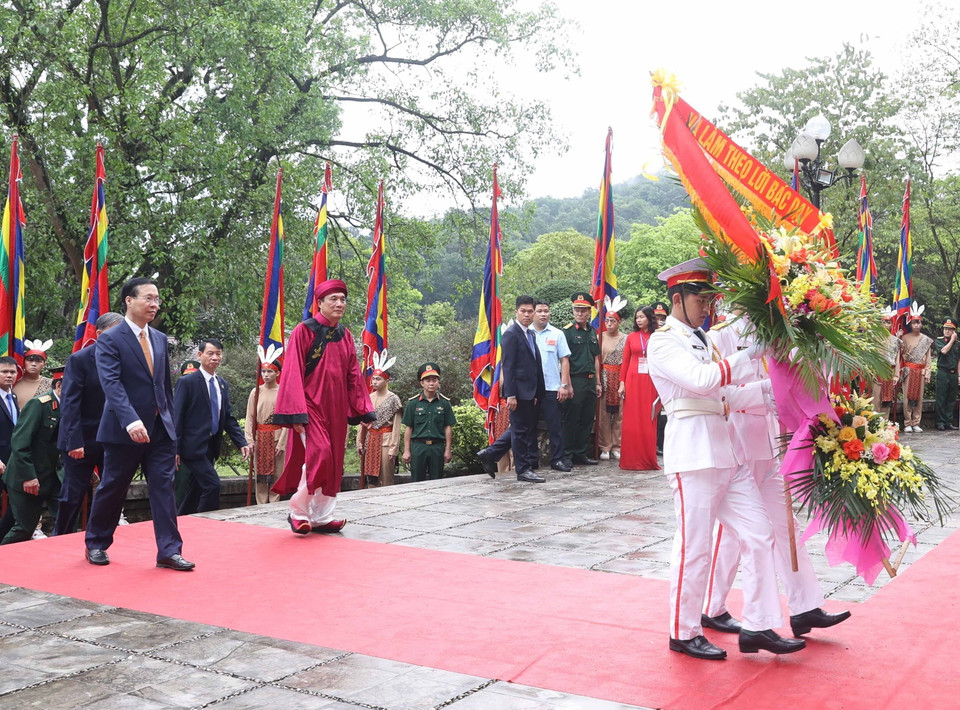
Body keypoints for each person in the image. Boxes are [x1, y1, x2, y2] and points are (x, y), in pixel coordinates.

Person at [648, 258, 803, 660]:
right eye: (700, 299)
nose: (707, 306)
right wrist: (751, 355)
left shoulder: (702, 341)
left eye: (710, 299)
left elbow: (725, 396)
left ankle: (759, 624)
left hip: (726, 452)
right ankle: (682, 631)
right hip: (694, 455)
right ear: (677, 299)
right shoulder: (663, 341)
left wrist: (774, 388)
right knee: (694, 546)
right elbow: (703, 381)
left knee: (759, 534)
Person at [703, 311, 851, 639]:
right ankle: (710, 606)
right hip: (737, 439)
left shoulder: (779, 332)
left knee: (786, 526)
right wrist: (771, 391)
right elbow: (720, 392)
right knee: (732, 530)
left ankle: (805, 606)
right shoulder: (723, 334)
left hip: (767, 440)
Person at [84, 277, 194, 571]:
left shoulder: (158, 338)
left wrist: (171, 426)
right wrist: (130, 419)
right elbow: (112, 384)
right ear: (129, 301)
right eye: (148, 298)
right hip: (124, 430)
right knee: (114, 487)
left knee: (164, 488)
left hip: (160, 430)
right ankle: (96, 542)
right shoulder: (111, 338)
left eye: (157, 299)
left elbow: (163, 387)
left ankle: (169, 551)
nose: (154, 304)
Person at [271, 279, 374, 534]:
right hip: (309, 406)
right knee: (320, 454)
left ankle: (322, 516)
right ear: (319, 303)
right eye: (333, 299)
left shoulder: (345, 335)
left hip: (336, 407)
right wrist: (295, 411)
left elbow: (353, 375)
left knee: (334, 460)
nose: (340, 304)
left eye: (343, 299)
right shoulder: (303, 331)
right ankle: (298, 510)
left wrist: (362, 409)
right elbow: (292, 371)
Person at [54, 312, 124, 536]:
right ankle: (61, 536)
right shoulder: (80, 359)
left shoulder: (126, 360)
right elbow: (70, 404)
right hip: (82, 438)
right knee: (72, 494)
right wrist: (74, 441)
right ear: (101, 334)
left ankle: (100, 535)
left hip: (113, 438)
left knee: (112, 491)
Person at [174, 338, 250, 515]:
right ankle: (208, 523)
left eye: (218, 354)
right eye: (210, 353)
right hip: (191, 447)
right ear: (200, 355)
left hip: (211, 446)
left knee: (197, 488)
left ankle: (183, 519)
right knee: (213, 484)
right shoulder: (187, 383)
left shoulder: (221, 384)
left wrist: (241, 443)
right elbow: (177, 417)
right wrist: (175, 448)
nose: (215, 357)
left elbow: (228, 418)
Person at [1, 368, 64, 544]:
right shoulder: (39, 404)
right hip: (27, 477)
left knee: (67, 522)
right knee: (24, 528)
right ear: (59, 385)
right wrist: (29, 477)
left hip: (54, 477)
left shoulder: (73, 405)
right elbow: (20, 444)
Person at [500, 296, 546, 482]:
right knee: (520, 432)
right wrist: (510, 394)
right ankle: (523, 470)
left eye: (530, 311)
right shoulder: (511, 334)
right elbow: (508, 366)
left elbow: (533, 364)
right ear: (516, 312)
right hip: (517, 392)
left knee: (525, 429)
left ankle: (490, 453)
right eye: (523, 311)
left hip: (530, 391)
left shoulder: (530, 333)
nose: (527, 314)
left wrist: (537, 391)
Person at [617, 305, 660, 471]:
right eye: (637, 317)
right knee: (632, 418)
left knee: (649, 417)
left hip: (651, 379)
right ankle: (630, 460)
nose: (639, 320)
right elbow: (625, 361)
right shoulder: (631, 337)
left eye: (642, 317)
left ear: (649, 318)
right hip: (633, 379)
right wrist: (622, 383)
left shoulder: (658, 337)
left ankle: (648, 459)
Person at [561, 292, 601, 466]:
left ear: (589, 312)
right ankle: (567, 454)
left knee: (587, 418)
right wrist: (567, 383)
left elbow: (596, 358)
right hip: (575, 379)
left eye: (583, 310)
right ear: (573, 311)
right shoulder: (567, 332)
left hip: (591, 380)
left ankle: (580, 453)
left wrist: (598, 382)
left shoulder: (592, 332)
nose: (580, 313)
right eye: (577, 310)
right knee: (572, 418)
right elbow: (565, 360)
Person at [244, 346, 287, 504]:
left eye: (270, 371)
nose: (266, 375)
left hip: (276, 437)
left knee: (277, 474)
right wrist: (249, 440)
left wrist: (282, 443)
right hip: (260, 438)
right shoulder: (256, 392)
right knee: (260, 475)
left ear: (277, 373)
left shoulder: (283, 392)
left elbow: (287, 421)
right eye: (264, 371)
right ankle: (261, 504)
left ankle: (274, 503)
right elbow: (249, 418)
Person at [402, 363, 456, 482]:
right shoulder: (413, 403)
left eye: (434, 380)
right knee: (417, 481)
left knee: (437, 481)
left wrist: (447, 450)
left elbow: (448, 428)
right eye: (427, 380)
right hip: (418, 447)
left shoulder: (444, 403)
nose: (431, 383)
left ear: (438, 382)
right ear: (422, 383)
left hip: (437, 448)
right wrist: (407, 450)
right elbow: (409, 428)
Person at [356, 350, 402, 487]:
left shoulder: (393, 399)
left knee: (386, 479)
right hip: (370, 441)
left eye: (378, 379)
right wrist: (359, 442)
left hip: (386, 441)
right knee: (371, 479)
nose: (374, 381)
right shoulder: (368, 398)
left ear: (386, 381)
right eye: (373, 379)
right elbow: (362, 423)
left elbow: (397, 427)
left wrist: (394, 448)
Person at [598, 297, 627, 461]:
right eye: (607, 320)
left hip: (620, 376)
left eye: (612, 321)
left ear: (618, 322)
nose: (609, 324)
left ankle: (617, 446)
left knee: (619, 415)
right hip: (604, 376)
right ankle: (605, 446)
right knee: (603, 414)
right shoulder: (599, 337)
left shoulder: (626, 338)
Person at [900, 303, 932, 433]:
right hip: (908, 370)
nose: (916, 325)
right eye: (914, 323)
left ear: (921, 324)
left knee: (919, 397)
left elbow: (928, 358)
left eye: (918, 322)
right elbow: (901, 355)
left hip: (920, 371)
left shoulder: (926, 340)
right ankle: (907, 422)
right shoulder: (904, 338)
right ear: (911, 324)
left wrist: (928, 373)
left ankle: (916, 422)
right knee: (907, 397)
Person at [0, 356, 19, 541]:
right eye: (4, 372)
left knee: (19, 503)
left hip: (12, 461)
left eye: (12, 372)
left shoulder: (12, 396)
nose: (9, 375)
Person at [872, 308, 901, 421]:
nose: (885, 324)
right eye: (883, 321)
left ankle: (885, 424)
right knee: (876, 398)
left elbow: (897, 359)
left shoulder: (895, 340)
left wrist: (896, 375)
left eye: (888, 322)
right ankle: (875, 423)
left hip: (889, 371)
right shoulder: (874, 339)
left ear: (891, 324)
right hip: (877, 371)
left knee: (887, 399)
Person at [934, 318, 960, 430]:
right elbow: (944, 351)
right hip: (943, 373)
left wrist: (959, 375)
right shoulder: (939, 341)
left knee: (951, 399)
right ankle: (940, 422)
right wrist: (952, 341)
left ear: (954, 331)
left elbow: (958, 360)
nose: (947, 331)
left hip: (953, 374)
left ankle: (948, 421)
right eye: (945, 329)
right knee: (941, 398)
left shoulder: (958, 344)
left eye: (950, 329)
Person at [13, 339, 53, 407]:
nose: (34, 364)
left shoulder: (51, 384)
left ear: (44, 364)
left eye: (38, 361)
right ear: (24, 362)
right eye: (30, 360)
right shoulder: (13, 382)